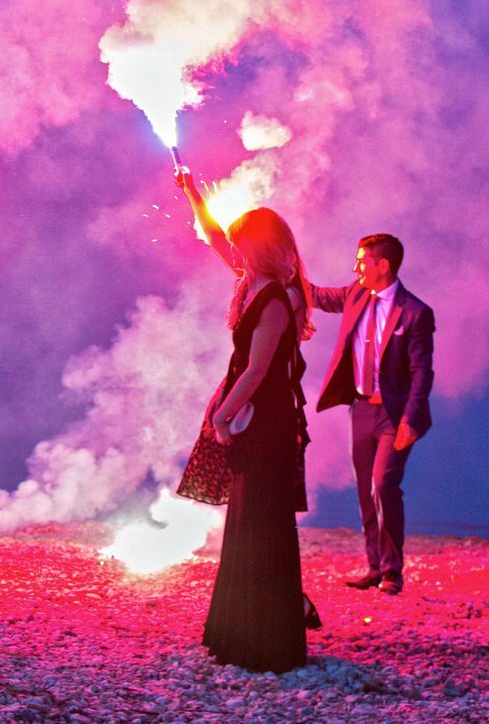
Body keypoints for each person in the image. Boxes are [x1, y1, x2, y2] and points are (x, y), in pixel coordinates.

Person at [176, 168, 313, 673]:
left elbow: (257, 370)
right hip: (250, 421)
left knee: (260, 524)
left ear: (256, 248)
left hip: (267, 425)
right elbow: (212, 235)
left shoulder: (277, 298)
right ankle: (240, 635)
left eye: (239, 243)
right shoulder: (252, 283)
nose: (230, 249)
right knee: (245, 523)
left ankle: (267, 643)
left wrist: (224, 415)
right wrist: (191, 191)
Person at [309, 234, 434, 596]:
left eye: (361, 261)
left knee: (384, 485)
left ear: (384, 265)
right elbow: (316, 295)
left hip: (395, 416)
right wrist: (288, 269)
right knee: (366, 490)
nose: (355, 267)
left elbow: (422, 372)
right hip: (361, 409)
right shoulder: (355, 294)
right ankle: (375, 567)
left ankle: (393, 571)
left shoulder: (415, 312)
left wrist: (411, 419)